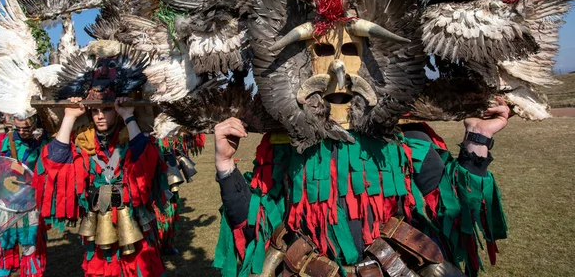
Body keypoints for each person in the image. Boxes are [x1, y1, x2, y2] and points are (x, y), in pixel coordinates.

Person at [212, 100, 511, 277]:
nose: (339, 71)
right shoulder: (285, 145)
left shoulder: (408, 138)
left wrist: (479, 137)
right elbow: (254, 223)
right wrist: (225, 163)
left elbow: (459, 212)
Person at [34, 97, 167, 277]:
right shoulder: (84, 142)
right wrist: (70, 116)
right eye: (95, 111)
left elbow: (145, 158)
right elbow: (55, 160)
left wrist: (128, 115)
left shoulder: (130, 136)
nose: (100, 116)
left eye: (106, 110)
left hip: (135, 222)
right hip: (98, 225)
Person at [0, 115, 49, 277]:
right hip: (5, 202)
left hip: (29, 203)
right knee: (2, 246)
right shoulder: (3, 142)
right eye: (18, 128)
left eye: (26, 128)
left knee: (30, 245)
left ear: (34, 125)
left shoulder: (39, 145)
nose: (22, 132)